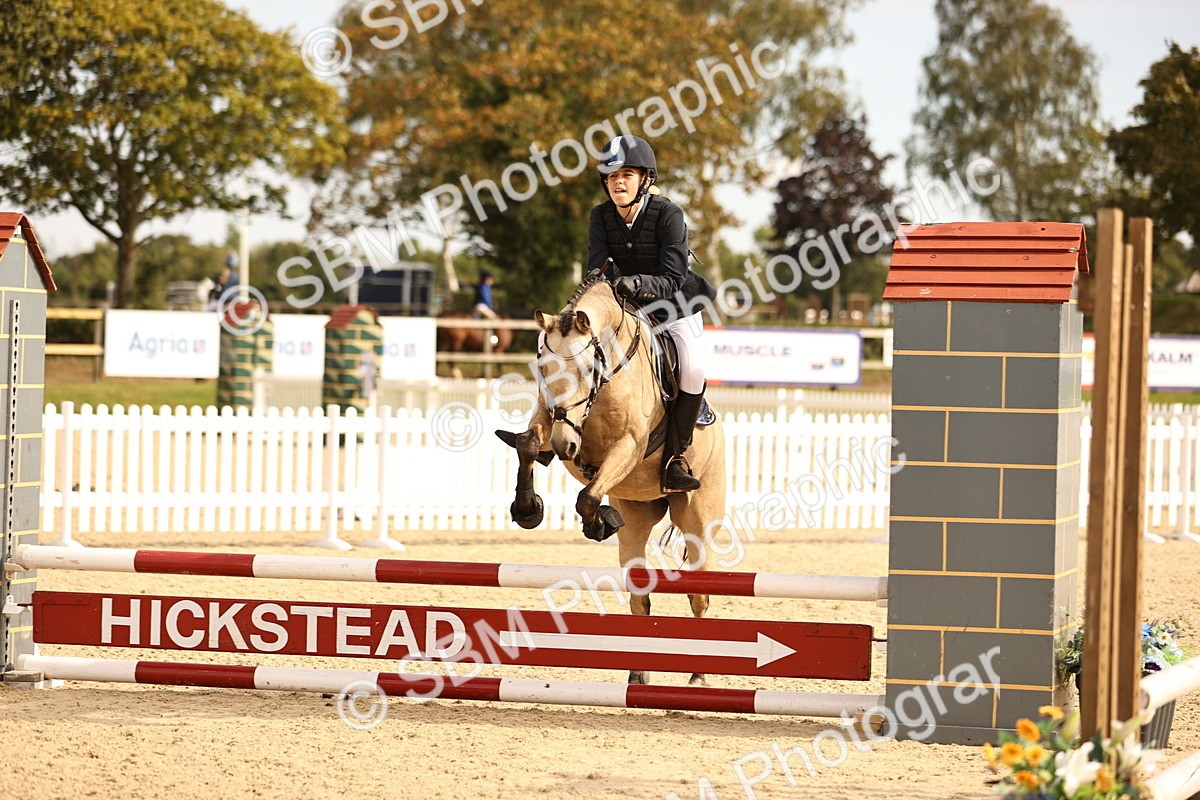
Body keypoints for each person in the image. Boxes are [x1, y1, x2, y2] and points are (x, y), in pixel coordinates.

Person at [587, 134, 716, 492]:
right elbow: (595, 271)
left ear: (645, 179)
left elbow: (673, 277)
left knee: (693, 368)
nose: (618, 182)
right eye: (612, 177)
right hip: (627, 309)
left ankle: (677, 456)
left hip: (675, 307)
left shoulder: (668, 214)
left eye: (627, 174)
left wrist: (636, 282)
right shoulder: (600, 216)